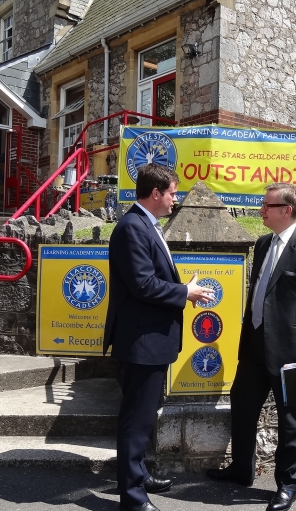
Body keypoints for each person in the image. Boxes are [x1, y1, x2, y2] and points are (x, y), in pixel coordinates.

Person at [207, 182, 296, 511]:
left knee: (291, 421)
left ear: (286, 211)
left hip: (291, 354)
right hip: (254, 347)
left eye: (267, 206)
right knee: (242, 406)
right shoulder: (262, 244)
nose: (261, 210)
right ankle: (241, 469)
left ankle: (287, 485)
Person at [104, 163, 214, 511]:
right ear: (155, 194)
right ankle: (133, 498)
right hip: (142, 343)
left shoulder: (144, 225)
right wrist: (186, 292)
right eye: (171, 193)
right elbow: (142, 284)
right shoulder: (131, 228)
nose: (174, 199)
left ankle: (139, 474)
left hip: (151, 341)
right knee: (136, 421)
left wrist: (183, 290)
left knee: (145, 415)